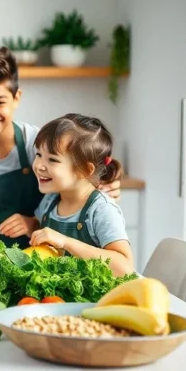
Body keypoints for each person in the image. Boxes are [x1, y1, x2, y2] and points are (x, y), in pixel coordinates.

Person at [0, 46, 121, 255]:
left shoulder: (39, 144)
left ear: (16, 98)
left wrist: (105, 183)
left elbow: (85, 170)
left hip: (43, 255)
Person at [29, 113, 134, 276]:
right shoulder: (50, 200)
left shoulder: (101, 210)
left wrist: (65, 242)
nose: (39, 166)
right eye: (38, 155)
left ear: (84, 169)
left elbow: (125, 267)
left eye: (53, 160)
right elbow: (44, 233)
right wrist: (29, 225)